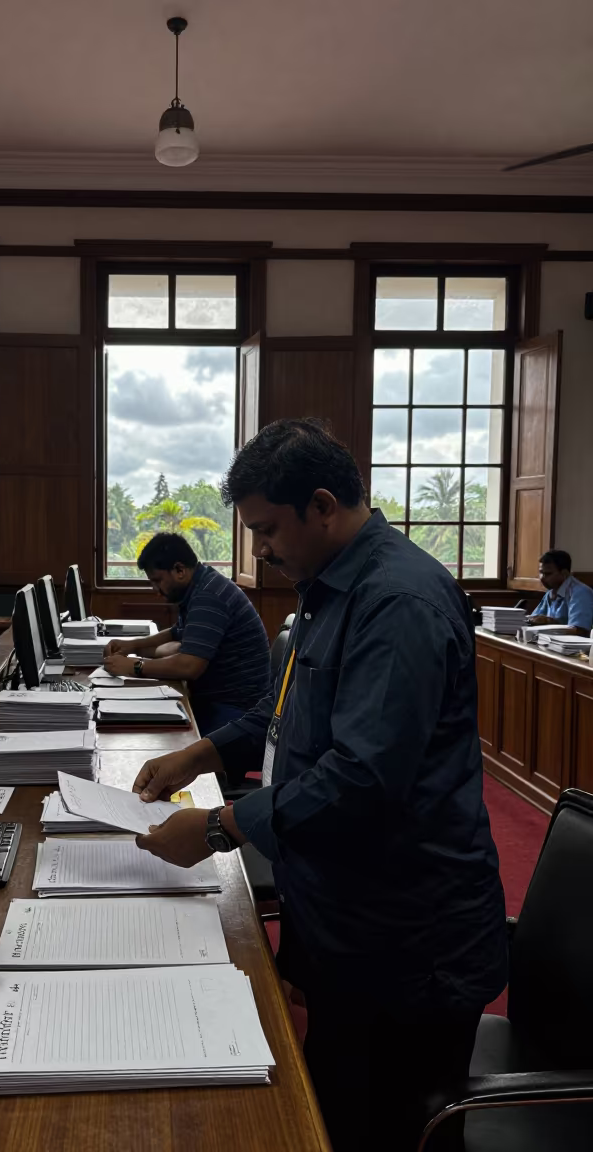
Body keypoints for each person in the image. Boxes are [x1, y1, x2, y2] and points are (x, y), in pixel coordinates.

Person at [129, 419, 507, 1152]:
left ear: (324, 505)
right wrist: (201, 753)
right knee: (330, 1100)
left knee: (371, 1124)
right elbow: (284, 722)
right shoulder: (327, 587)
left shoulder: (397, 602)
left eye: (268, 529)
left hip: (405, 937)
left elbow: (361, 777)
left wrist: (216, 830)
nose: (261, 550)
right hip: (344, 908)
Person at [103, 532, 271, 734]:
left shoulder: (209, 597)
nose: (155, 589)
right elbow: (178, 632)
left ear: (179, 570)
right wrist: (134, 645)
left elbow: (189, 666)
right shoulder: (202, 584)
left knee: (158, 737)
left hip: (236, 713)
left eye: (157, 580)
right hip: (221, 702)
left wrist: (135, 666)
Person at [527, 549, 593, 636]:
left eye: (548, 574)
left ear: (564, 573)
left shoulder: (580, 593)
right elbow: (534, 619)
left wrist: (550, 622)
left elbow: (581, 630)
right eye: (541, 573)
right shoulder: (550, 592)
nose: (542, 578)